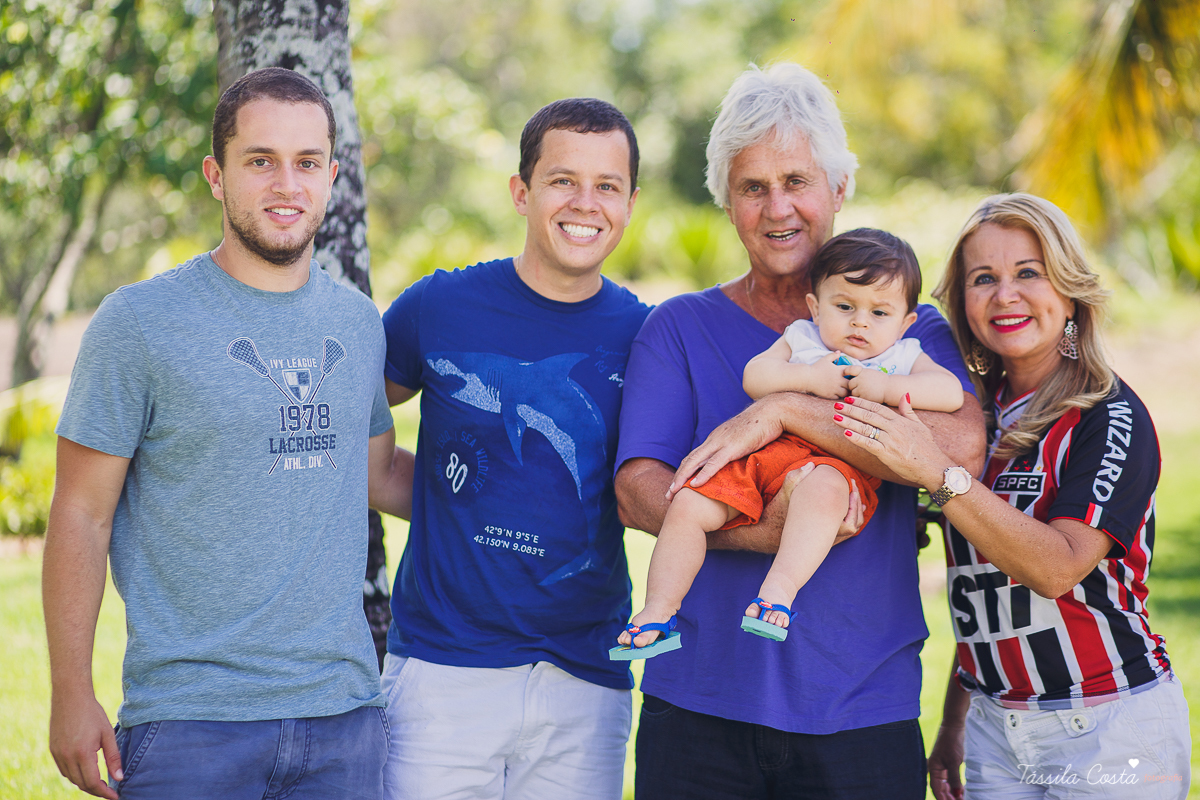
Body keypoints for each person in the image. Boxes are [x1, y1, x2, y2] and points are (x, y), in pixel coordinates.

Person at [614, 62, 987, 799]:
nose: (777, 207)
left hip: (860, 705)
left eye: (797, 181)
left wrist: (783, 412)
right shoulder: (679, 328)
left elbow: (957, 451)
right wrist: (774, 520)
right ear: (726, 201)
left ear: (839, 188)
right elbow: (637, 492)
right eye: (753, 187)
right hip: (696, 704)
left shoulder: (910, 329)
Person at [43, 68, 414, 800]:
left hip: (344, 718)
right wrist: (69, 692)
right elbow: (81, 514)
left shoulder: (357, 323)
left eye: (307, 163)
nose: (287, 184)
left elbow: (375, 473)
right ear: (216, 175)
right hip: (190, 724)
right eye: (260, 161)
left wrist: (515, 495)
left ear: (333, 177)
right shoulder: (138, 323)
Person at [832, 193, 1192, 799]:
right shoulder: (972, 417)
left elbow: (1053, 569)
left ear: (1070, 289)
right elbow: (988, 591)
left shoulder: (1108, 413)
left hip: (1109, 724)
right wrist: (955, 721)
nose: (1005, 295)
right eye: (983, 279)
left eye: (1029, 272)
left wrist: (937, 472)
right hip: (995, 727)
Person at [378, 98, 650, 800]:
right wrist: (447, 502)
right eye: (562, 180)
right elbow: (350, 432)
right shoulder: (436, 308)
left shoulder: (647, 334)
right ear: (521, 192)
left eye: (608, 186)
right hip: (443, 670)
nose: (584, 203)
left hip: (585, 677)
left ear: (630, 202)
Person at [615, 228, 964, 656]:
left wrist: (885, 386)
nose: (860, 321)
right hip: (765, 457)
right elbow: (755, 376)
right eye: (844, 306)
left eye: (879, 313)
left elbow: (949, 393)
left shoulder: (901, 356)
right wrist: (808, 377)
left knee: (821, 495)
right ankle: (658, 612)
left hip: (839, 466)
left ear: (906, 321)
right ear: (815, 308)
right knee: (688, 504)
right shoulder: (803, 339)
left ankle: (776, 594)